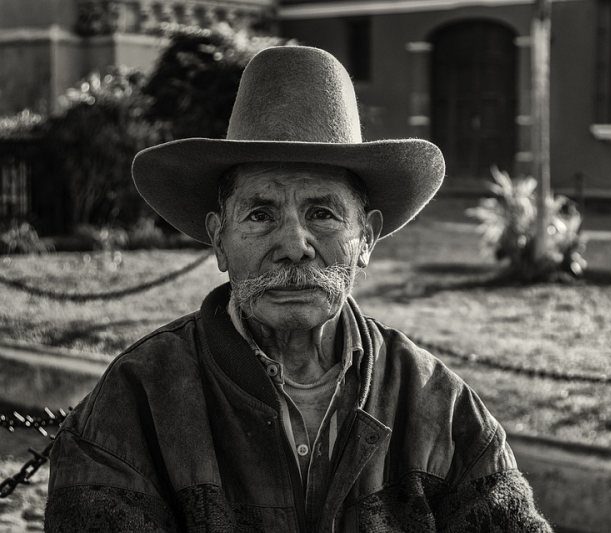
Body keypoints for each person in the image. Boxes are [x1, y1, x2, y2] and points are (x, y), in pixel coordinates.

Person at [44, 46, 552, 532]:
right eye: (261, 214)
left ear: (366, 238)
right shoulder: (134, 403)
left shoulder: (438, 406)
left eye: (322, 213)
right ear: (219, 239)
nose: (293, 245)